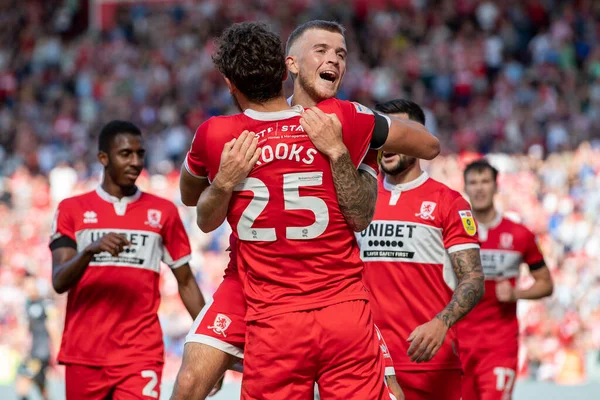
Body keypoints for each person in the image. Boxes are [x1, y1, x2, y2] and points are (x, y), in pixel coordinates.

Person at [176, 21, 439, 400]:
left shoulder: (219, 133)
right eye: (322, 50)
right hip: (255, 286)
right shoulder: (348, 117)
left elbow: (193, 202)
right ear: (289, 67)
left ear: (229, 83)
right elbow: (429, 145)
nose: (333, 58)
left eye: (341, 53)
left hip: (300, 303)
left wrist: (356, 155)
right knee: (189, 383)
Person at [49, 120, 204, 399]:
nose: (135, 162)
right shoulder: (71, 209)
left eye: (140, 154)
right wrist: (89, 251)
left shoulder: (164, 212)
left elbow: (187, 283)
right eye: (125, 154)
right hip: (85, 355)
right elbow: (59, 281)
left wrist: (210, 343)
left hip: (140, 354)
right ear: (103, 158)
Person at [357, 99, 484, 400]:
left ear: (418, 139)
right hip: (368, 362)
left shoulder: (448, 202)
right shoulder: (358, 198)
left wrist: (442, 323)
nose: (387, 142)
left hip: (429, 364)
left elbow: (474, 279)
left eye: (398, 133)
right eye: (382, 134)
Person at [457, 159, 554, 400]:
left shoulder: (520, 234)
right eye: (473, 182)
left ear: (496, 187)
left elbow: (546, 283)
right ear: (466, 188)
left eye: (485, 181)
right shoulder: (452, 231)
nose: (479, 188)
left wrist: (516, 294)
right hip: (458, 344)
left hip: (499, 345)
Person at [15, 274, 52, 400]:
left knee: (23, 381)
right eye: (26, 286)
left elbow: (52, 328)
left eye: (31, 285)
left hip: (41, 353)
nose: (29, 289)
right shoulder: (28, 304)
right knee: (40, 384)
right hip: (33, 352)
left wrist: (57, 351)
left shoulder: (46, 304)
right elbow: (26, 328)